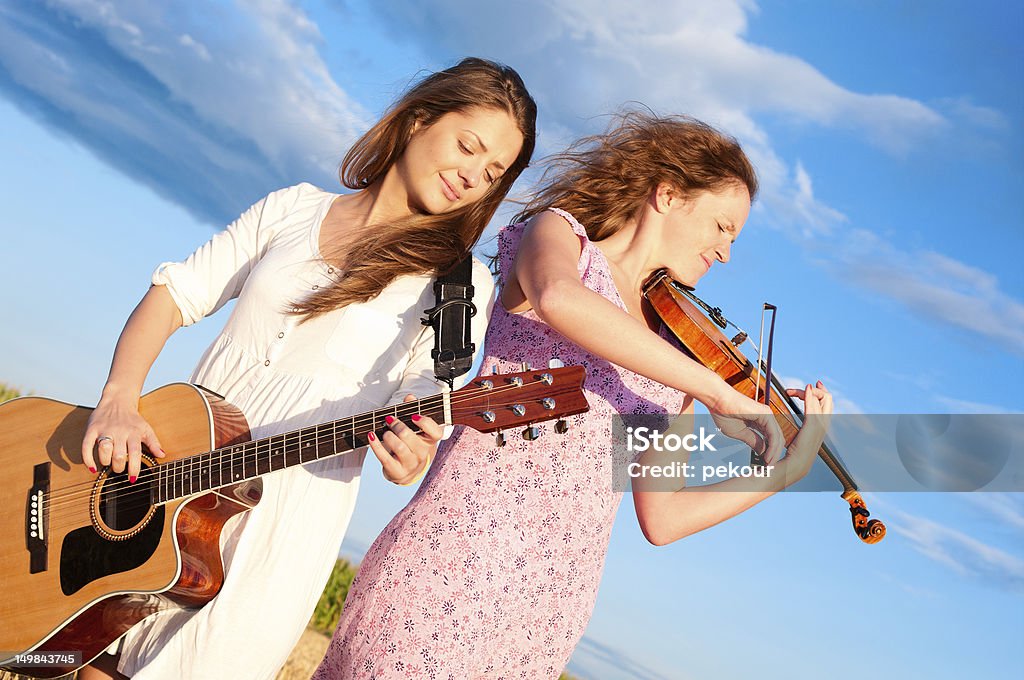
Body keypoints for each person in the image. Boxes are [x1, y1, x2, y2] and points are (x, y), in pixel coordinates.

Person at [313, 112, 834, 678]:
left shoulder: (680, 353)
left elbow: (662, 519)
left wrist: (785, 470)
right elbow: (559, 298)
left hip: (547, 614)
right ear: (668, 195)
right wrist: (718, 392)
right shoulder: (564, 239)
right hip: (454, 560)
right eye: (723, 226)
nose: (727, 252)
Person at [77, 57, 537, 680]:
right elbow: (174, 296)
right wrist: (119, 397)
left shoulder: (460, 286)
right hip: (165, 480)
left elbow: (431, 393)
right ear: (419, 118)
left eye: (493, 172)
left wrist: (413, 453)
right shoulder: (293, 208)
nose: (471, 177)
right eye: (467, 146)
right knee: (88, 666)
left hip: (279, 526)